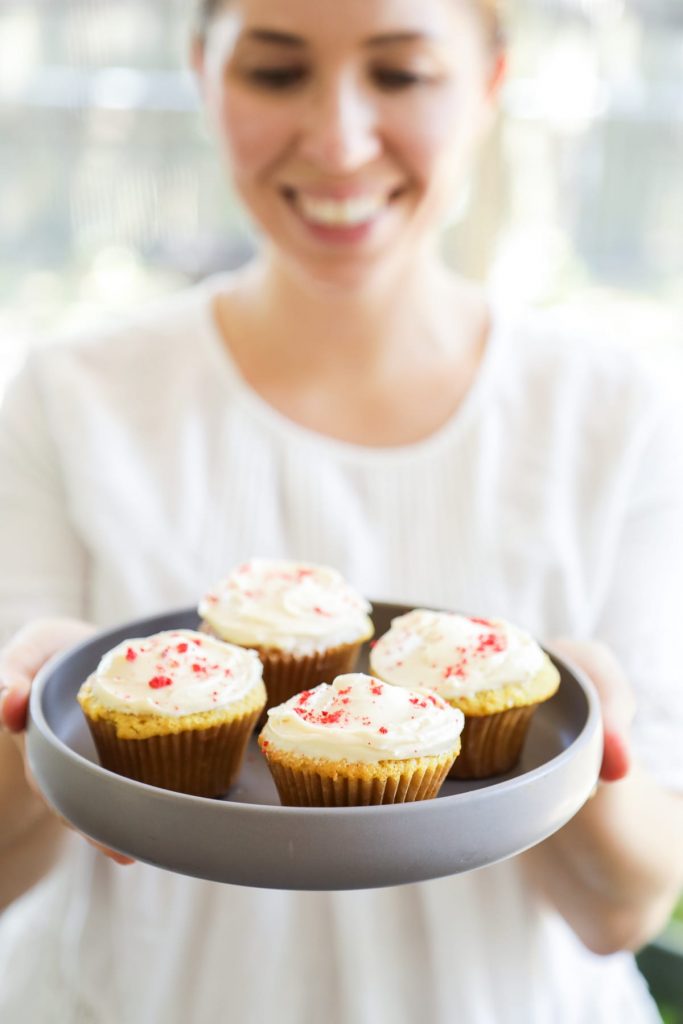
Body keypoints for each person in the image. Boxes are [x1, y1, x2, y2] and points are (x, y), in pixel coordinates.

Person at [1, 0, 682, 1020]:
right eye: (276, 74)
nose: (338, 140)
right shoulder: (67, 394)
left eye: (400, 74)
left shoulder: (615, 412)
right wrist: (38, 747)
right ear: (202, 74)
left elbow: (622, 910)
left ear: (489, 84)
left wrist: (578, 757)